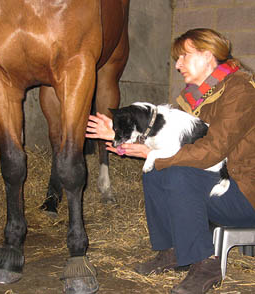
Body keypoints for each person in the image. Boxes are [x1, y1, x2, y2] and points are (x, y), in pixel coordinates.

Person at [86, 28, 255, 294]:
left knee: (175, 172)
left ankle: (205, 265)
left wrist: (152, 155)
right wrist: (122, 135)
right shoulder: (194, 97)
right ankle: (173, 252)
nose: (177, 65)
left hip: (243, 194)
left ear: (208, 55)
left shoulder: (240, 91)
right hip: (216, 186)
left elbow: (212, 150)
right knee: (155, 170)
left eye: (183, 57)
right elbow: (163, 141)